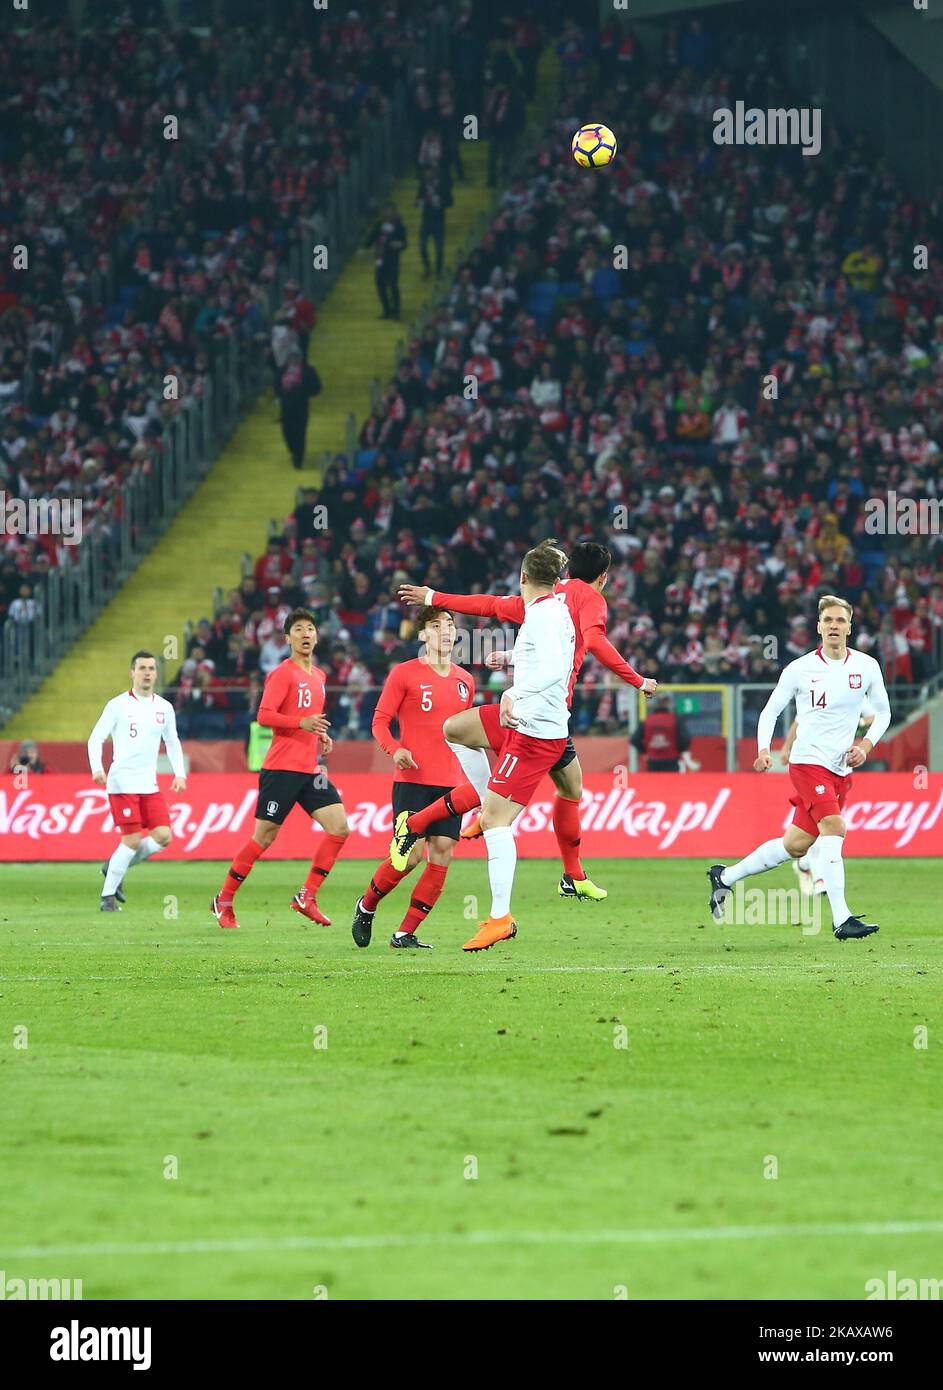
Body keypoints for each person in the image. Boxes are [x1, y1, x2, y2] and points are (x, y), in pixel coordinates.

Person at [396, 540, 657, 901]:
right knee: (517, 805)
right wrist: (639, 681)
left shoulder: (551, 595)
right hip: (542, 716)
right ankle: (507, 899)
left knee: (571, 788)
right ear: (603, 578)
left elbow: (489, 605)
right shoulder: (591, 599)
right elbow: (594, 641)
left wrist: (433, 597)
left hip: (542, 713)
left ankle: (570, 873)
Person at [707, 596, 891, 941]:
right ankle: (842, 918)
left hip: (840, 768)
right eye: (828, 621)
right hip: (808, 763)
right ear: (819, 627)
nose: (834, 626)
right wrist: (764, 750)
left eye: (840, 620)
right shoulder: (799, 669)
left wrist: (866, 746)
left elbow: (883, 713)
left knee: (796, 845)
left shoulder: (866, 667)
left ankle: (725, 876)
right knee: (834, 827)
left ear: (850, 627)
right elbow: (770, 711)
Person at [212, 608, 349, 930]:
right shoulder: (282, 674)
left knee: (339, 828)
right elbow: (264, 715)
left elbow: (308, 718)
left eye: (310, 629)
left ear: (317, 636)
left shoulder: (320, 677)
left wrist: (320, 734)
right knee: (264, 837)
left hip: (310, 767)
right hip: (282, 768)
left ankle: (307, 896)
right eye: (298, 629)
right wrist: (300, 722)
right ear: (287, 638)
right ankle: (224, 899)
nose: (305, 634)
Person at [351, 606, 475, 950]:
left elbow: (463, 732)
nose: (446, 631)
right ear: (423, 635)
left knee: (443, 852)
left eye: (450, 624)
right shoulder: (403, 674)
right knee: (410, 855)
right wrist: (396, 750)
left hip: (450, 782)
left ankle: (405, 933)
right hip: (412, 781)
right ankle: (367, 906)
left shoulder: (465, 681)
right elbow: (379, 721)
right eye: (436, 626)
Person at [87, 651, 186, 911]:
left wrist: (180, 773)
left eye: (151, 668)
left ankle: (113, 867)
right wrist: (97, 768)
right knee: (131, 840)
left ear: (156, 673)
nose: (147, 672)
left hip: (148, 784)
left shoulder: (164, 707)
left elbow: (172, 741)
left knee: (164, 836)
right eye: (142, 668)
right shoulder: (118, 705)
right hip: (122, 782)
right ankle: (107, 898)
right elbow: (95, 738)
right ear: (132, 672)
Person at [276, 351, 322, 470]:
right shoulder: (282, 370)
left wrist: (302, 389)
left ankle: (298, 460)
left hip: (301, 408)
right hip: (286, 408)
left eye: (296, 358)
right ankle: (293, 451)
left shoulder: (308, 370)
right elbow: (276, 385)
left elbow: (317, 388)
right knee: (287, 432)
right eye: (291, 358)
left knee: (300, 434)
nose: (294, 361)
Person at [364, 202, 407, 320]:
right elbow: (371, 238)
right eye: (386, 211)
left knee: (393, 284)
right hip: (380, 258)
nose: (388, 213)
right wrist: (366, 246)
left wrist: (398, 245)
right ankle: (386, 310)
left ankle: (396, 311)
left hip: (392, 259)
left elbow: (404, 243)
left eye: (390, 211)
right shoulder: (379, 225)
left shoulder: (399, 226)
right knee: (380, 284)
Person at [631, 693, 690, 770]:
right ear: (668, 704)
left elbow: (634, 739)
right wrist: (679, 750)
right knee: (671, 782)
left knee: (654, 782)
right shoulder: (675, 720)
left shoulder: (647, 721)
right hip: (671, 760)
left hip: (653, 760)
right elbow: (686, 739)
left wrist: (645, 751)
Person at [417, 168, 451, 280]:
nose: (426, 175)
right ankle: (427, 268)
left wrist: (440, 202)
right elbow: (417, 200)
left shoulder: (441, 185)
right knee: (422, 246)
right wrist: (421, 202)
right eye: (425, 174)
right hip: (425, 221)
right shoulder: (422, 185)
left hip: (438, 221)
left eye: (428, 173)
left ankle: (438, 271)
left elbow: (450, 201)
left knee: (440, 249)